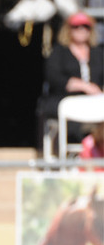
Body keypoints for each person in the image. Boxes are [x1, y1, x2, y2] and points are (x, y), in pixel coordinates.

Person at [38, 11, 103, 146]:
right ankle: (72, 154)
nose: (81, 30)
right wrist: (83, 86)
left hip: (94, 101)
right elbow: (53, 76)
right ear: (68, 29)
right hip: (65, 99)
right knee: (72, 117)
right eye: (76, 26)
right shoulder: (59, 52)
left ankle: (96, 150)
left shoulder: (98, 53)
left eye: (86, 26)